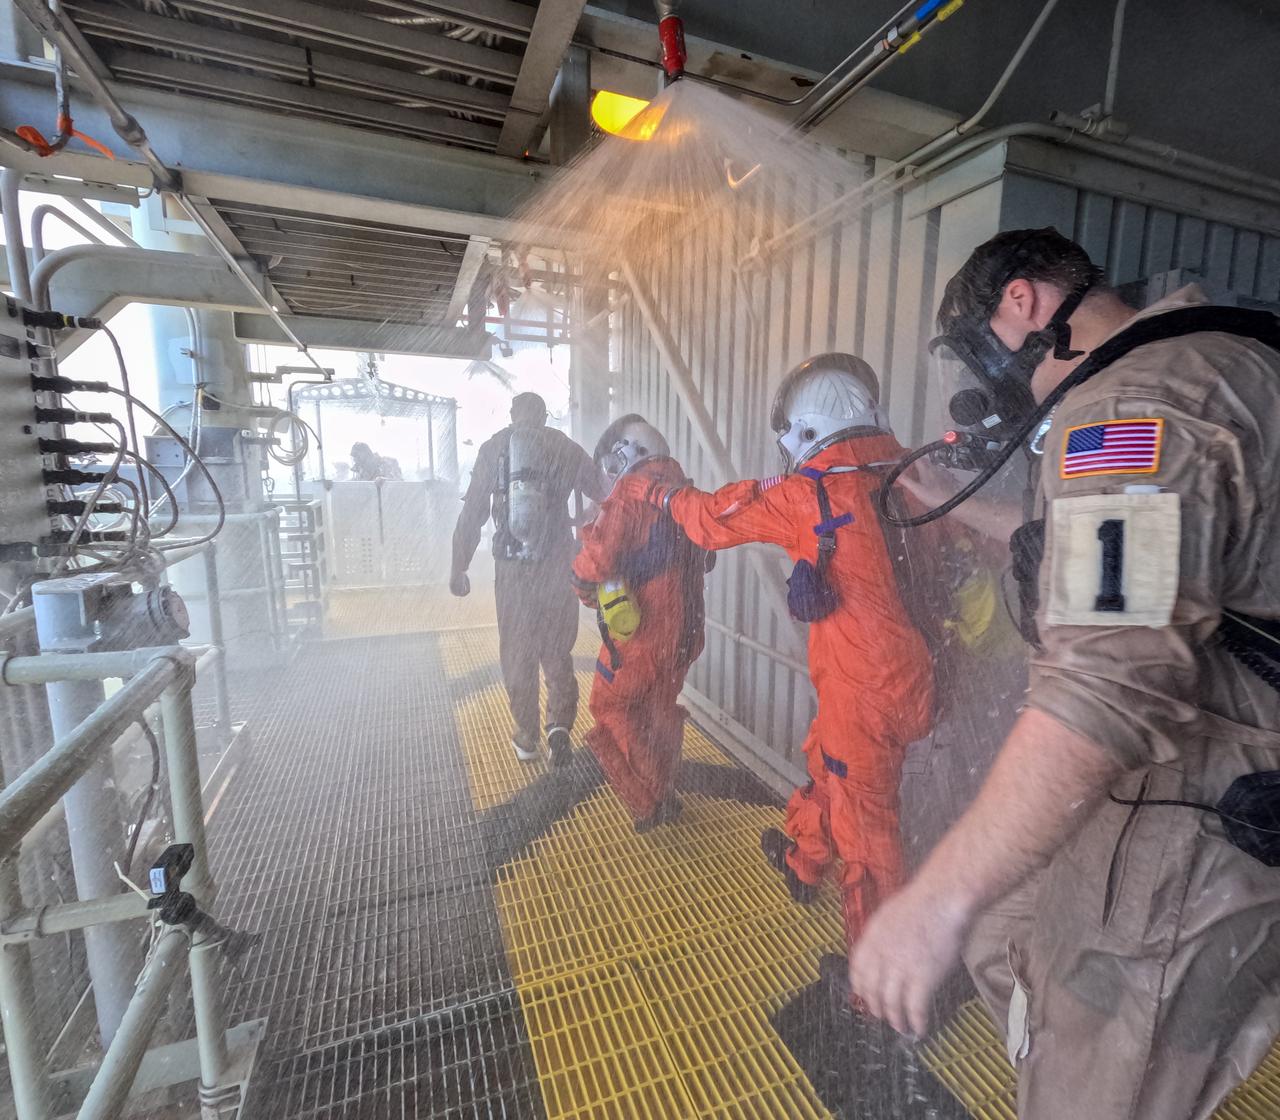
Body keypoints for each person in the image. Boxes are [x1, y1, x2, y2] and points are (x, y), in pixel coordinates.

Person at [851, 227, 1280, 1120]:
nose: (984, 387)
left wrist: (932, 901)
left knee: (1092, 1084)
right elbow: (1137, 574)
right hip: (1195, 785)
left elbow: (1106, 688)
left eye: (976, 356)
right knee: (1006, 927)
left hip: (1188, 816)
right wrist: (955, 506)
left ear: (1024, 303)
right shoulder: (1221, 357)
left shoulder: (1134, 405)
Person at [614, 354, 935, 946]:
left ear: (809, 430)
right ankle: (805, 859)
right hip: (912, 679)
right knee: (823, 763)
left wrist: (658, 493)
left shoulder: (811, 494)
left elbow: (710, 520)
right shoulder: (916, 477)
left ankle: (877, 986)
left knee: (869, 841)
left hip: (866, 696)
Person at [450, 392, 603, 766]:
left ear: (513, 415)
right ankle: (559, 727)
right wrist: (586, 530)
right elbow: (606, 495)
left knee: (518, 651)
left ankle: (526, 735)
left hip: (512, 568)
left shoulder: (494, 447)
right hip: (556, 563)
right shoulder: (565, 447)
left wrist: (459, 564)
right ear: (545, 417)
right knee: (556, 648)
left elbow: (474, 512)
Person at [572, 415, 707, 832]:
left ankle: (647, 800)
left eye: (611, 467)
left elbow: (596, 565)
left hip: (645, 633)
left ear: (625, 454)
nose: (611, 478)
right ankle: (664, 789)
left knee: (611, 707)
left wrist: (579, 579)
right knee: (657, 708)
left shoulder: (630, 496)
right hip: (686, 632)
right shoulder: (684, 491)